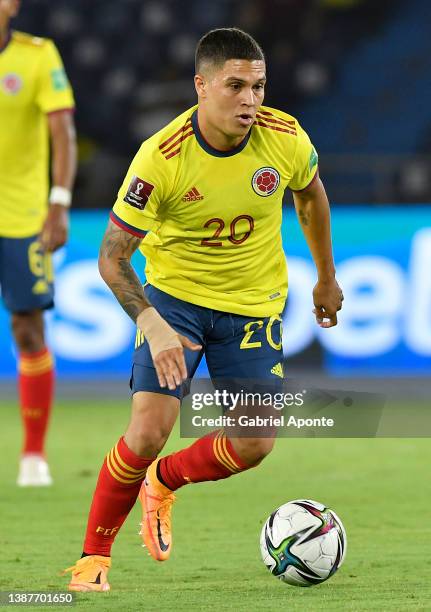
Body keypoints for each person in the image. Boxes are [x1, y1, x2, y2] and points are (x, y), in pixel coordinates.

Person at [64, 28, 343, 592]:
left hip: (251, 305)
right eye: (236, 86)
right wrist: (152, 322)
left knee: (255, 442)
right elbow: (112, 260)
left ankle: (164, 482)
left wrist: (326, 277)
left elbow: (310, 194)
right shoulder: (160, 159)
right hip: (176, 303)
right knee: (147, 431)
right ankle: (93, 559)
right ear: (201, 87)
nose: (250, 100)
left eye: (259, 87)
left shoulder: (284, 137)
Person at [0, 0, 77, 486]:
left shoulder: (37, 55)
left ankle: (33, 455)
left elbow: (63, 133)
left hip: (23, 216)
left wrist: (59, 201)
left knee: (28, 330)